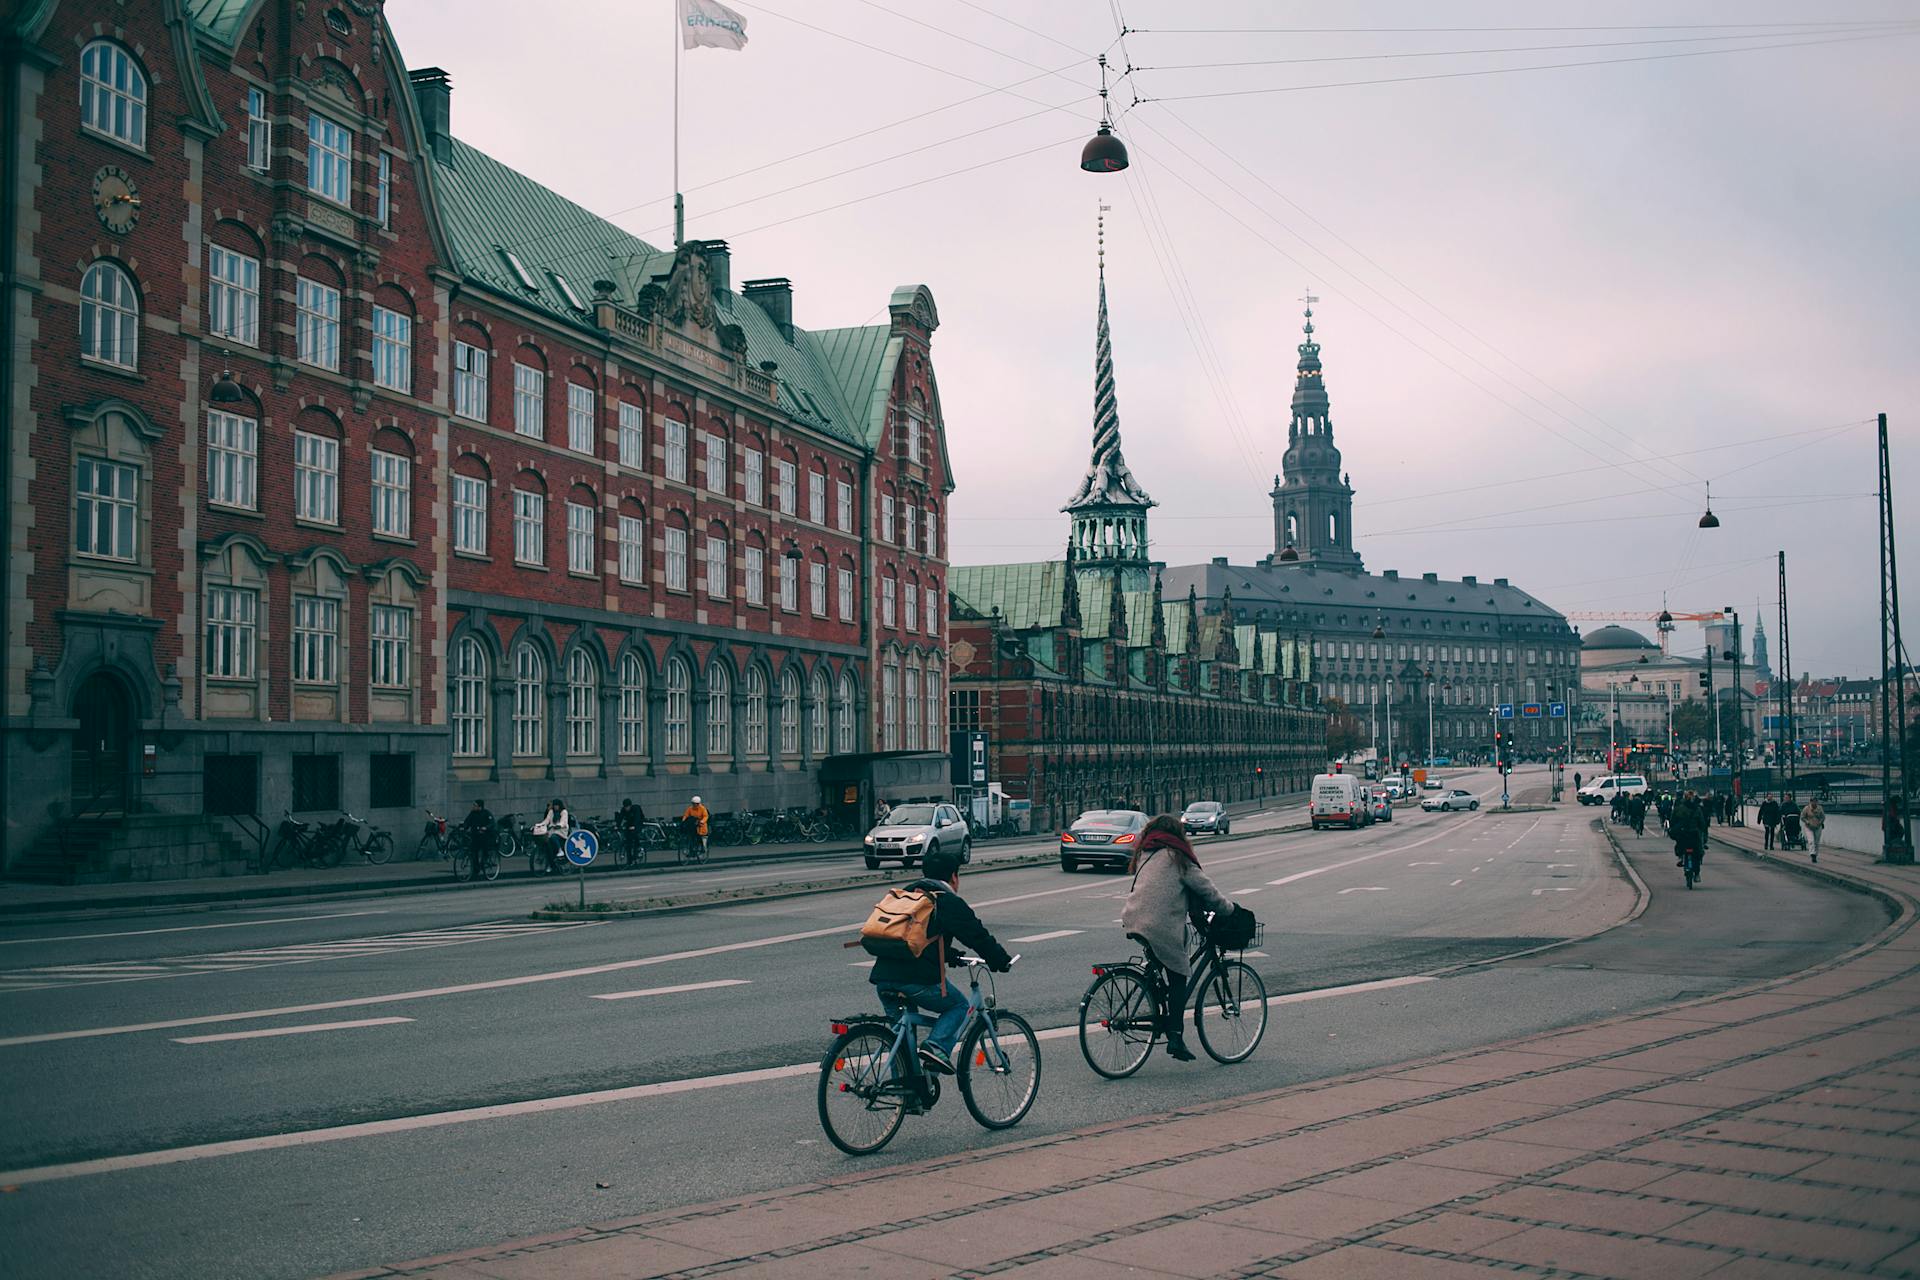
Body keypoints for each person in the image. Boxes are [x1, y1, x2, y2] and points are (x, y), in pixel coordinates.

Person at [868, 844, 1012, 1076]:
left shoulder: (908, 893)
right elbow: (976, 936)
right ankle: (936, 1047)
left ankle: (905, 1093)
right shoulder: (946, 900)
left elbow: (917, 939)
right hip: (915, 980)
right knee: (958, 1006)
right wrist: (999, 960)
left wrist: (950, 954)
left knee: (901, 1036)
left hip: (883, 976)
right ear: (954, 876)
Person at [1120, 814, 1237, 1063]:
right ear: (1177, 835)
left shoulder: (1146, 853)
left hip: (1134, 918)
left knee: (1162, 967)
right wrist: (1230, 910)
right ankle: (1175, 1036)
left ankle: (1158, 1008)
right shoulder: (1178, 856)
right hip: (1159, 925)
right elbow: (1206, 889)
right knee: (1179, 976)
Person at [531, 797, 570, 873]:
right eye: (554, 805)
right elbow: (546, 820)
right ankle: (550, 864)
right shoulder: (551, 812)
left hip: (561, 832)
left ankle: (560, 850)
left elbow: (564, 822)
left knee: (554, 837)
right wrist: (539, 825)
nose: (555, 807)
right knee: (547, 845)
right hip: (552, 831)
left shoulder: (564, 812)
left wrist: (559, 825)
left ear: (559, 805)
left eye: (556, 805)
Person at [680, 795, 710, 861]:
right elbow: (686, 815)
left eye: (695, 804)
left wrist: (702, 822)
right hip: (693, 825)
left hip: (701, 826)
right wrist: (683, 821)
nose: (694, 805)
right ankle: (691, 850)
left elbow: (706, 816)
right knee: (691, 837)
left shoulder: (702, 808)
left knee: (700, 837)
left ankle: (702, 848)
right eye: (693, 803)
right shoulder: (690, 809)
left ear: (698, 804)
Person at [1801, 796, 1826, 863]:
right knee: (1811, 841)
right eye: (1813, 801)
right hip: (1809, 827)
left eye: (1815, 801)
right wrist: (1807, 822)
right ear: (1810, 802)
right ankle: (1812, 854)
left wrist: (1820, 822)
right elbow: (1802, 817)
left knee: (1816, 842)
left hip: (1818, 827)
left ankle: (1815, 854)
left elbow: (1823, 817)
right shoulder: (1806, 808)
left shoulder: (1820, 808)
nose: (1814, 803)